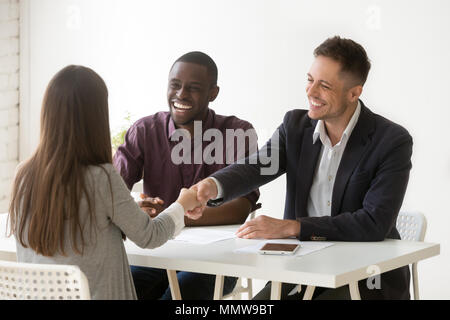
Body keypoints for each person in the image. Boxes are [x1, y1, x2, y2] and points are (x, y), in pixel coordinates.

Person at [192, 36, 413, 300]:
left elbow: (374, 223)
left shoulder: (391, 141)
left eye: (324, 85)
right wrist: (211, 186)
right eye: (310, 80)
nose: (310, 91)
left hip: (366, 278)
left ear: (354, 93)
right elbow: (257, 166)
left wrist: (293, 227)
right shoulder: (295, 126)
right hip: (302, 270)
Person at [8, 65, 201, 300]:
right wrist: (183, 202)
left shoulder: (22, 176)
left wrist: (124, 214)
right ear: (96, 116)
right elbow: (151, 236)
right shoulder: (101, 177)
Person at [113, 51, 260, 299]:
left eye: (193, 88)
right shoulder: (145, 130)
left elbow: (239, 208)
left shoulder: (238, 132)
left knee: (181, 293)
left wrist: (172, 216)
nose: (181, 95)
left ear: (213, 93)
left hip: (216, 261)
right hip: (157, 254)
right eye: (175, 85)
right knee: (121, 291)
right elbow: (111, 193)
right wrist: (138, 207)